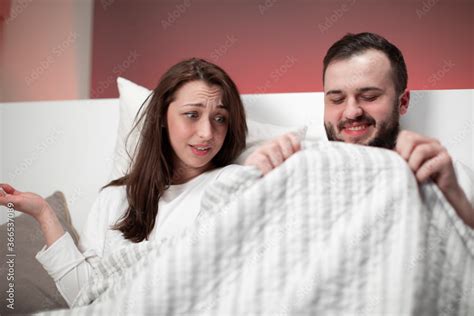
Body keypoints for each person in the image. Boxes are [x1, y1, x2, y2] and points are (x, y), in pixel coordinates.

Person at [0, 58, 250, 306]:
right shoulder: (114, 197)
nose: (207, 132)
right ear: (162, 117)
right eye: (192, 115)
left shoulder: (231, 183)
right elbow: (83, 297)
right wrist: (44, 214)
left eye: (219, 118)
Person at [247, 32, 473, 228]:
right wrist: (253, 184)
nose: (351, 111)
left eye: (369, 97)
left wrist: (455, 199)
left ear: (403, 102)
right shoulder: (294, 169)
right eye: (337, 99)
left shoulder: (450, 177)